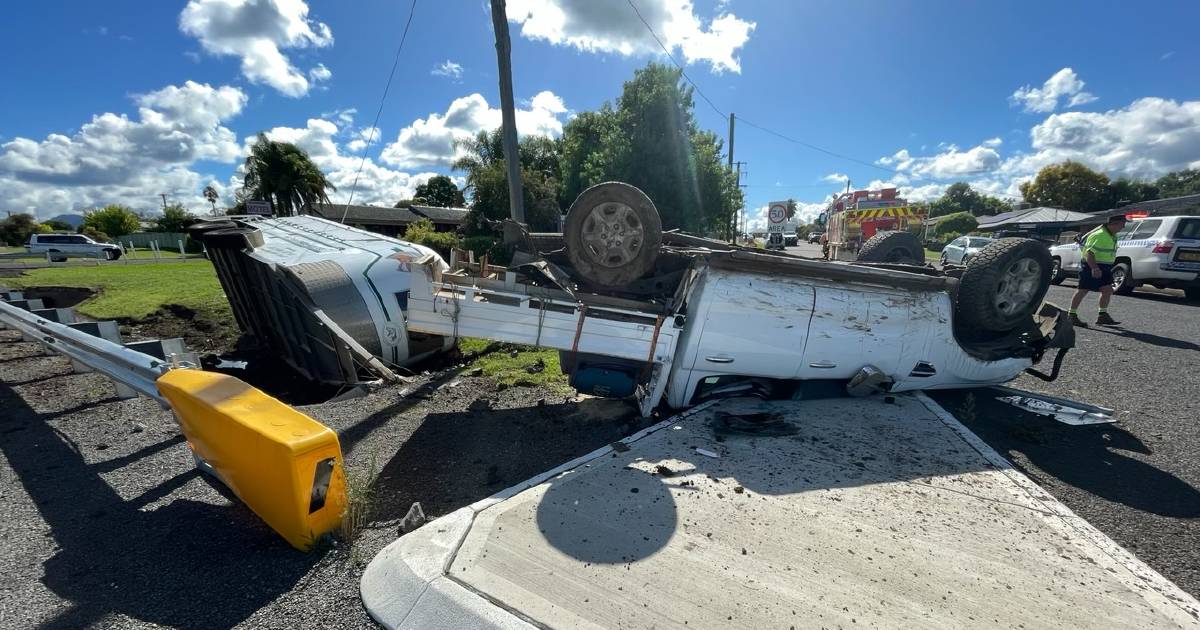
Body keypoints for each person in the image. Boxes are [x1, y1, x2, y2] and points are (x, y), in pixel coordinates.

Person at [1069, 214, 1126, 328]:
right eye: (1122, 224)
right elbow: (1089, 254)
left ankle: (1102, 315)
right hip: (1092, 265)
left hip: (1105, 267)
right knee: (1083, 290)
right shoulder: (1100, 235)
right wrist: (1094, 268)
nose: (1123, 227)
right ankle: (1071, 315)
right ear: (1113, 224)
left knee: (1107, 290)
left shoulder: (1112, 235)